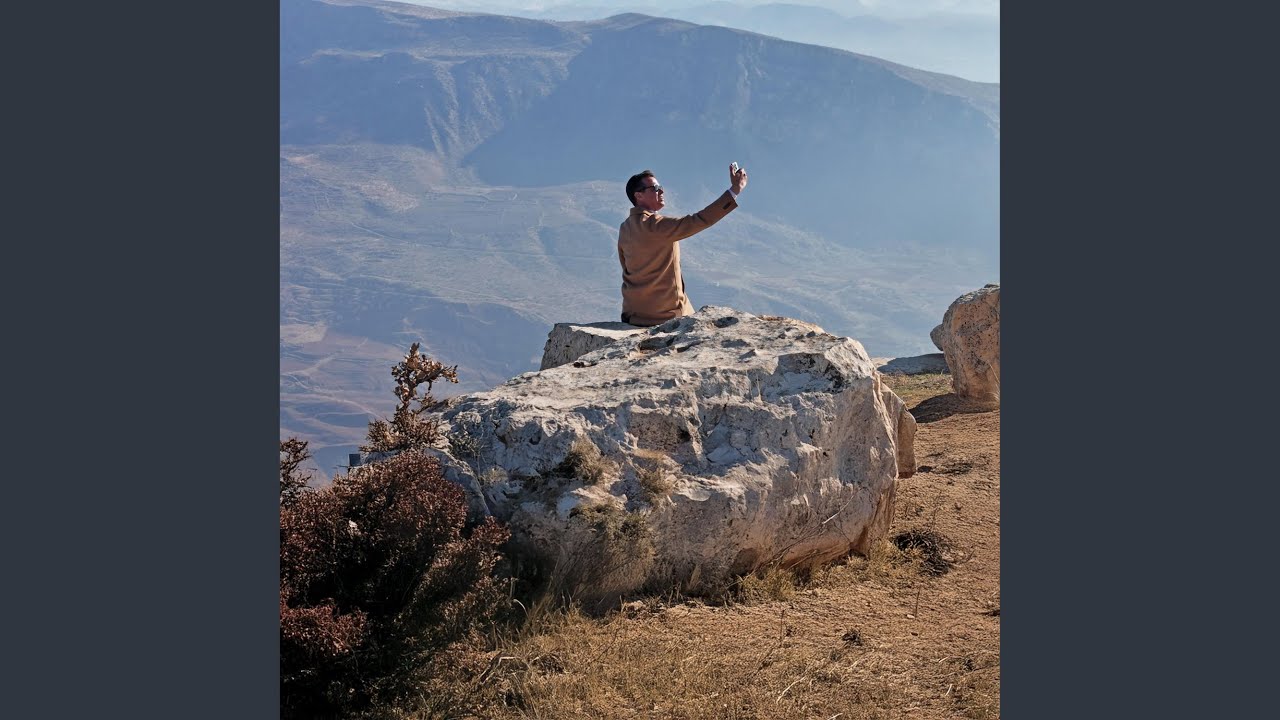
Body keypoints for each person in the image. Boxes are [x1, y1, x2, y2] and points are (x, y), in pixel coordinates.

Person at [617, 164, 748, 326]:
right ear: (639, 195)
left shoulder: (625, 227)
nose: (661, 191)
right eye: (655, 188)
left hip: (634, 313)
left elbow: (626, 266)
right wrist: (735, 190)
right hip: (664, 314)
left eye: (661, 187)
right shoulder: (655, 225)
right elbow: (699, 220)